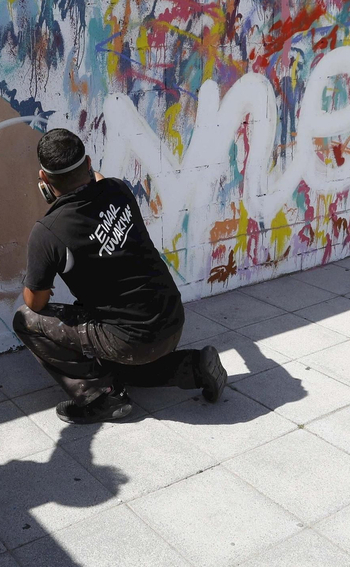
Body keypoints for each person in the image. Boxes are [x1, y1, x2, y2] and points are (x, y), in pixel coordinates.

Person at [13, 129, 227, 424]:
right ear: (88, 163)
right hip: (172, 319)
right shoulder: (118, 190)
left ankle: (102, 397)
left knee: (25, 321)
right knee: (118, 354)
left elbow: (35, 303)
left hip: (132, 342)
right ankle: (193, 367)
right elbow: (97, 179)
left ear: (44, 180)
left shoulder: (48, 233)